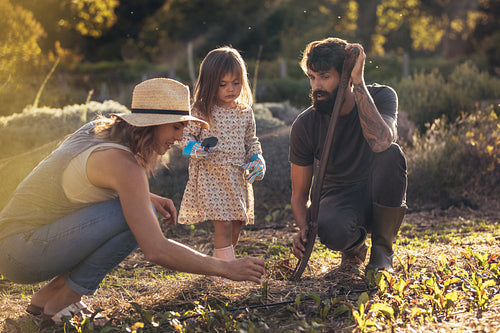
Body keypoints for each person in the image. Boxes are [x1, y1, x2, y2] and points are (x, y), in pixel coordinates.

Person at [0, 78, 265, 326]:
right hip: (22, 252)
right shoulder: (124, 165)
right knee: (137, 215)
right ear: (150, 123)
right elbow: (156, 249)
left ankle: (49, 298)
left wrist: (144, 195)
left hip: (12, 243)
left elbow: (73, 179)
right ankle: (62, 302)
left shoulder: (98, 131)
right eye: (176, 127)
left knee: (140, 207)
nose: (178, 138)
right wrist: (225, 267)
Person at [290, 37, 408, 274]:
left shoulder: (383, 96)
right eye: (312, 77)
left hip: (378, 190)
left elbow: (381, 142)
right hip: (339, 197)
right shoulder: (305, 125)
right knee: (330, 227)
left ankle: (382, 252)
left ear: (346, 75)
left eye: (325, 77)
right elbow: (299, 194)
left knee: (392, 153)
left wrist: (358, 82)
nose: (316, 87)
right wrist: (304, 228)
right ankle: (354, 249)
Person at [179, 46, 266, 267]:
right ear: (210, 83)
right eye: (223, 84)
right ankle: (225, 275)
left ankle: (219, 268)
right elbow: (184, 136)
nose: (231, 89)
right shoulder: (201, 109)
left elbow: (251, 140)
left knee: (236, 224)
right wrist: (194, 148)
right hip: (212, 175)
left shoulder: (245, 111)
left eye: (236, 83)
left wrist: (257, 157)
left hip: (237, 176)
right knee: (224, 225)